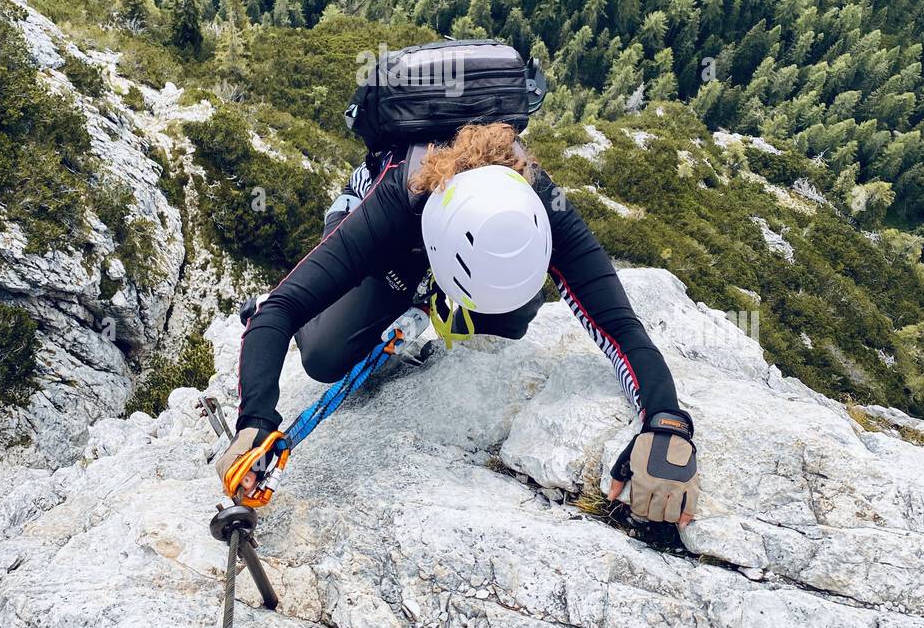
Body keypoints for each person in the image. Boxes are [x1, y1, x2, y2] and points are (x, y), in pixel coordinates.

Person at [229, 121, 699, 525]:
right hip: (394, 245)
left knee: (511, 322)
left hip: (448, 253)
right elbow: (282, 310)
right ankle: (405, 292)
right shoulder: (395, 201)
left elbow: (620, 328)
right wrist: (255, 423)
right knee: (326, 356)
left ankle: (429, 302)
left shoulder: (541, 209)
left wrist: (665, 422)